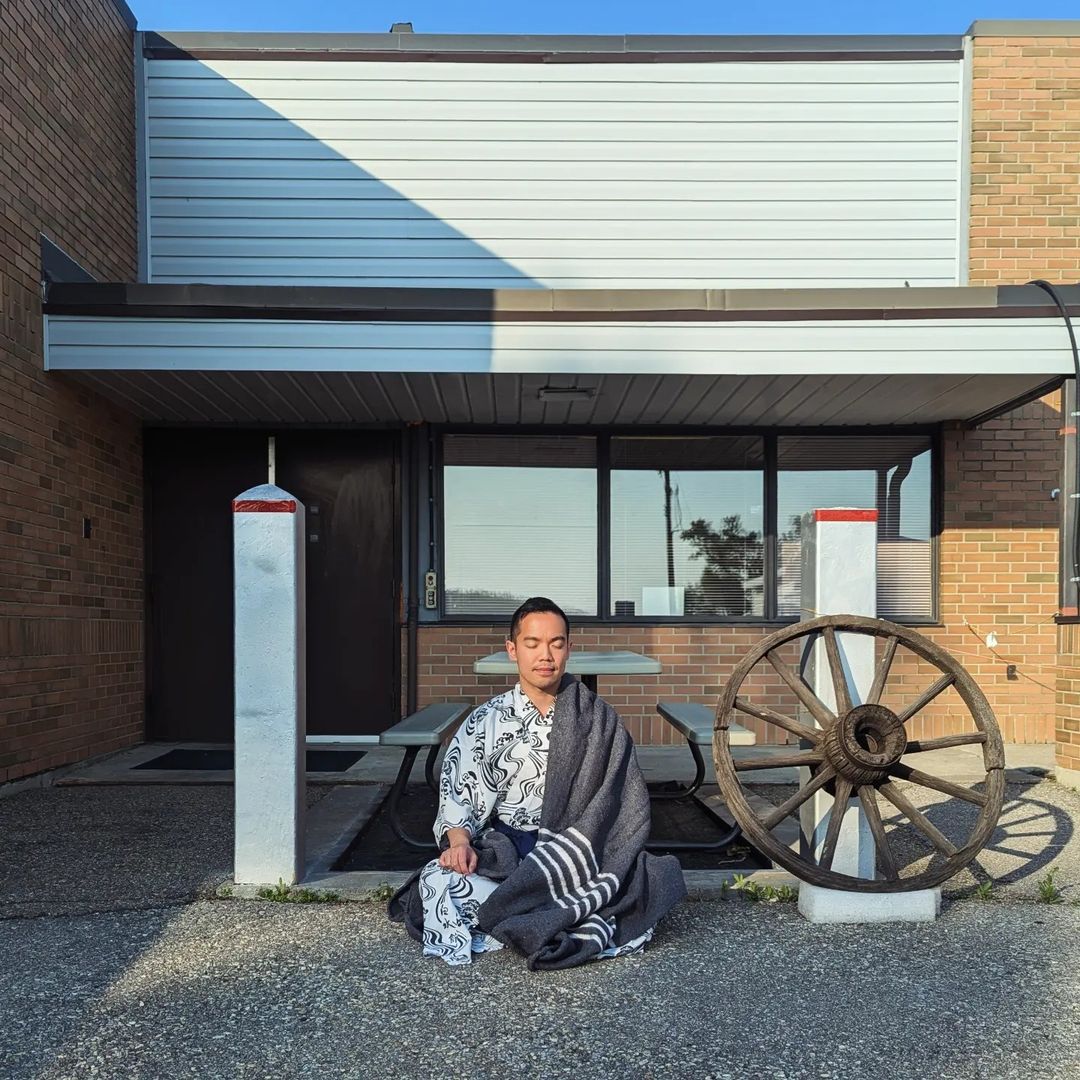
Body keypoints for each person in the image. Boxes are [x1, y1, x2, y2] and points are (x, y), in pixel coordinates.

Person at [388, 596, 686, 970]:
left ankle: (532, 911)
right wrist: (459, 843)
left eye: (556, 643)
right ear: (512, 650)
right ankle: (545, 911)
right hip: (509, 851)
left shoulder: (598, 718)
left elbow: (623, 801)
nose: (545, 655)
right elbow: (458, 794)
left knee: (649, 881)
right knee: (439, 882)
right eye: (533, 643)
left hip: (580, 853)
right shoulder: (486, 722)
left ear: (568, 649)